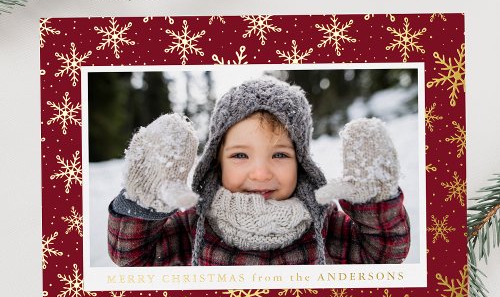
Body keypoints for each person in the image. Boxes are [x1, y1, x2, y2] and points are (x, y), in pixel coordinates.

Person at [108, 77, 410, 266]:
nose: (261, 173)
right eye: (240, 155)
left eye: (280, 154)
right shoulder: (193, 223)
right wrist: (143, 201)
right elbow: (130, 258)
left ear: (302, 163)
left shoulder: (323, 221)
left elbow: (384, 256)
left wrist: (375, 201)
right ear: (216, 162)